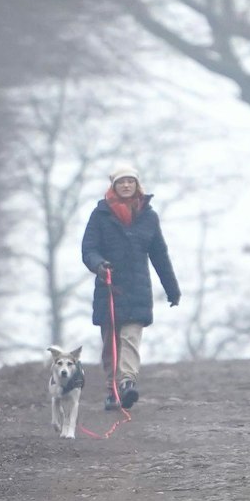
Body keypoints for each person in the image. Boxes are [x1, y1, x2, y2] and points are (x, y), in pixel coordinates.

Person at [80, 164, 180, 411]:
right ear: (113, 186)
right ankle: (112, 390)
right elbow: (88, 249)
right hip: (109, 290)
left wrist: (172, 289)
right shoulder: (100, 215)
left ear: (137, 185)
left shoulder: (149, 217)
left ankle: (127, 383)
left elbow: (160, 255)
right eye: (121, 182)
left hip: (137, 291)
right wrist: (99, 265)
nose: (126, 185)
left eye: (130, 182)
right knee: (110, 344)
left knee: (130, 338)